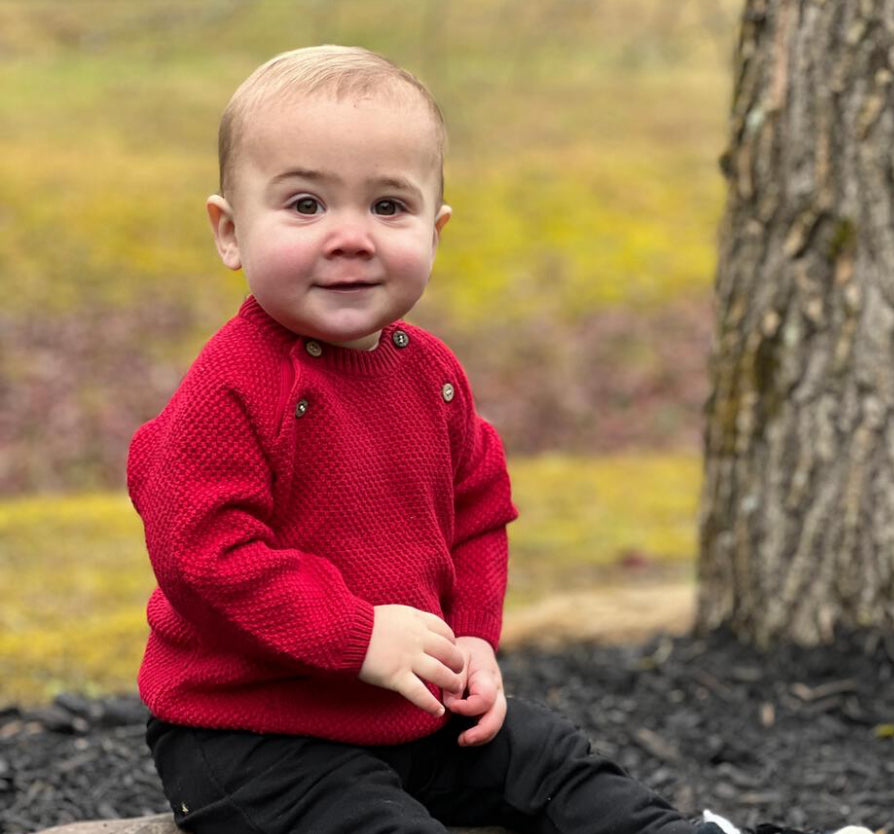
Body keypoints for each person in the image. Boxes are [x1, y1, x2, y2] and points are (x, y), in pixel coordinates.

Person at [126, 45, 861, 834]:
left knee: (548, 760)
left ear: (435, 229)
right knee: (370, 821)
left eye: (388, 206)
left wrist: (473, 638)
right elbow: (205, 556)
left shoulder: (430, 376)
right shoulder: (233, 387)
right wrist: (359, 635)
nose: (351, 237)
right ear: (230, 231)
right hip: (252, 733)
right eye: (306, 206)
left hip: (406, 708)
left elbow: (477, 513)